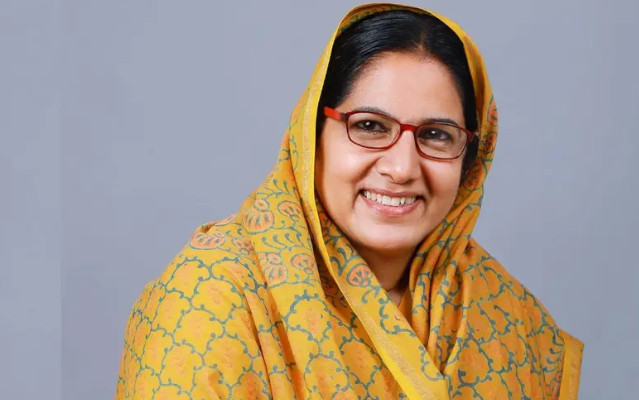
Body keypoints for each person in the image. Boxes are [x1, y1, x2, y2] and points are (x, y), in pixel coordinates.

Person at [115, 3, 583, 399]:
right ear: (312, 135)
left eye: (436, 135)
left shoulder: (507, 318)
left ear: (472, 158)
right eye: (370, 126)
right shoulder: (213, 298)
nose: (402, 168)